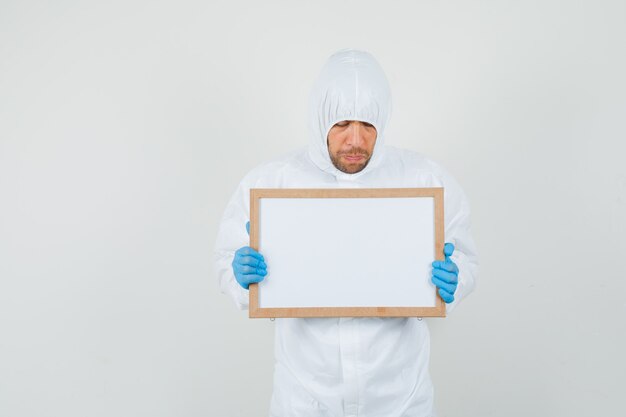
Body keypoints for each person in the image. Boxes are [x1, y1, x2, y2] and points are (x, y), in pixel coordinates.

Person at [215, 49, 478, 417]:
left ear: (382, 123)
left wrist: (456, 277)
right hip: (304, 396)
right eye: (341, 124)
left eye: (367, 125)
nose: (355, 141)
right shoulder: (274, 181)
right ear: (320, 119)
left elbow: (465, 257)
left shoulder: (421, 179)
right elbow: (227, 262)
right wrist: (240, 276)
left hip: (400, 396)